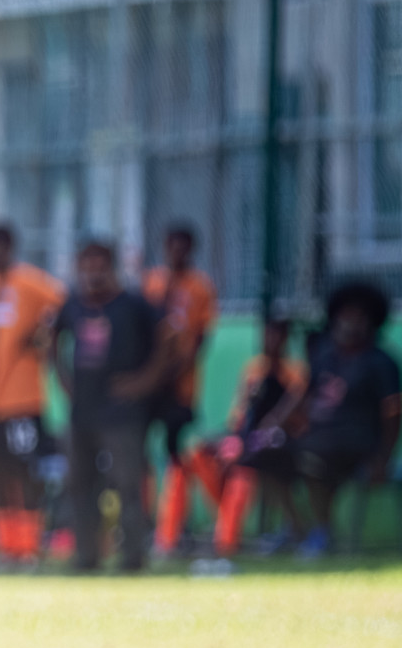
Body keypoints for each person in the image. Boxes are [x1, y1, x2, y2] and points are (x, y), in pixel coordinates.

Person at [242, 280, 402, 557]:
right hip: (316, 436)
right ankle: (297, 527)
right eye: (346, 314)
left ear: (371, 321)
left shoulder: (382, 363)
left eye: (358, 316)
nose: (350, 323)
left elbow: (394, 414)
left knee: (314, 459)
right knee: (259, 452)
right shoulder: (325, 355)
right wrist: (273, 424)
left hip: (357, 444)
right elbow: (301, 393)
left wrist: (384, 458)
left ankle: (322, 531)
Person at [49, 241, 169, 572]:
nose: (94, 271)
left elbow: (167, 339)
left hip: (122, 413)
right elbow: (52, 340)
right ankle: (86, 556)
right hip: (82, 412)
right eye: (87, 264)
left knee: (128, 485)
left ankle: (133, 557)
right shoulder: (73, 304)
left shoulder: (132, 304)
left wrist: (146, 380)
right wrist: (64, 381)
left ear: (112, 267)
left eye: (100, 264)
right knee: (80, 485)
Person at [0, 223, 66, 565]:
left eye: (0, 248)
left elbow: (63, 305)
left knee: (25, 472)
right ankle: (8, 546)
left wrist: (41, 335)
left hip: (21, 398)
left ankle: (29, 547)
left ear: (11, 249)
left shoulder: (29, 281)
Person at [180, 318, 306, 564]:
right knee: (196, 454)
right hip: (246, 439)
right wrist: (229, 442)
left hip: (280, 443)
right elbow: (240, 417)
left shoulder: (294, 372)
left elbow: (289, 418)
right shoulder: (254, 370)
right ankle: (198, 530)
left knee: (241, 469)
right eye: (268, 335)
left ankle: (226, 541)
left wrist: (246, 444)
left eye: (277, 336)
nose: (271, 341)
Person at [144, 223, 219, 557]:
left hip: (180, 387)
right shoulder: (152, 283)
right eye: (171, 245)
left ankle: (179, 525)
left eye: (183, 246)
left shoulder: (200, 287)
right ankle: (146, 520)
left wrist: (175, 370)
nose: (176, 252)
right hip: (149, 387)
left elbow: (201, 338)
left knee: (178, 456)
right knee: (138, 450)